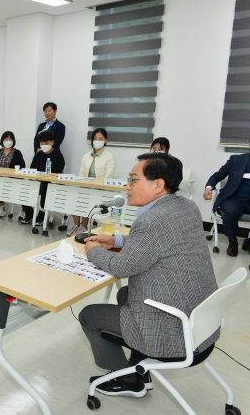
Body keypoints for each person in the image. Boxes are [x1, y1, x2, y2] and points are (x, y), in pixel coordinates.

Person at [80, 152, 218, 398]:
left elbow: (123, 267)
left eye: (133, 180)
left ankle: (128, 379)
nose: (127, 186)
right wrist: (116, 239)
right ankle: (139, 367)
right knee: (125, 293)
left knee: (89, 315)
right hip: (200, 325)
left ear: (158, 184)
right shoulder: (185, 206)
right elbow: (159, 241)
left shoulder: (152, 221)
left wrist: (93, 250)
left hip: (174, 333)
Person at [204, 139, 250, 256]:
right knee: (231, 211)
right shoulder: (236, 160)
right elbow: (218, 175)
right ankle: (233, 242)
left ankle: (248, 243)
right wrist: (209, 187)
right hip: (234, 199)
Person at [68, 128, 117, 236]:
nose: (97, 140)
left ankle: (84, 228)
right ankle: (77, 226)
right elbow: (81, 175)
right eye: (95, 138)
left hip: (100, 189)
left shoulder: (110, 157)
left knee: (86, 198)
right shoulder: (86, 156)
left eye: (100, 138)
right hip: (86, 187)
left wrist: (92, 186)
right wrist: (83, 185)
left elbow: (108, 177)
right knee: (74, 195)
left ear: (105, 140)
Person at [20, 130, 65, 226]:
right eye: (41, 143)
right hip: (37, 181)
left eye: (46, 143)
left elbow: (57, 172)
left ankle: (42, 214)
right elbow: (32, 168)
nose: (44, 145)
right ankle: (29, 213)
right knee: (23, 189)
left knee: (45, 189)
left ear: (52, 142)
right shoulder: (38, 155)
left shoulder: (58, 155)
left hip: (50, 184)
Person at [0, 131, 26, 217]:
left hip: (11, 179)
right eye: (6, 139)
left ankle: (0, 206)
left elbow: (22, 166)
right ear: (2, 141)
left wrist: (10, 174)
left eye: (10, 139)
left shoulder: (17, 153)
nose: (8, 141)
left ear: (13, 141)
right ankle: (1, 205)